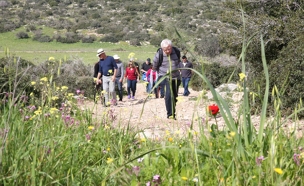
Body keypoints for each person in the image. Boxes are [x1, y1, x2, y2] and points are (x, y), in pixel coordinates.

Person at [153, 39, 181, 119]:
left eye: (169, 49)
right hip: (165, 77)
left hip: (176, 77)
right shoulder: (159, 54)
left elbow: (178, 62)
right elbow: (155, 66)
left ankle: (173, 110)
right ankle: (170, 115)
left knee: (175, 96)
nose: (168, 51)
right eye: (166, 50)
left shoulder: (176, 51)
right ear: (162, 49)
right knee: (168, 95)